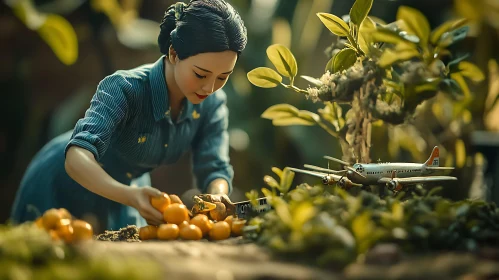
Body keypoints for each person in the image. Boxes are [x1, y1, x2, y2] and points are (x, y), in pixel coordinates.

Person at [10, 0, 247, 231]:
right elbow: (75, 156)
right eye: (200, 74)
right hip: (62, 182)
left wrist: (218, 195)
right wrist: (130, 196)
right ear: (174, 54)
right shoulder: (125, 88)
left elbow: (214, 166)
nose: (209, 87)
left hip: (130, 192)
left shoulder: (210, 105)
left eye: (222, 77)